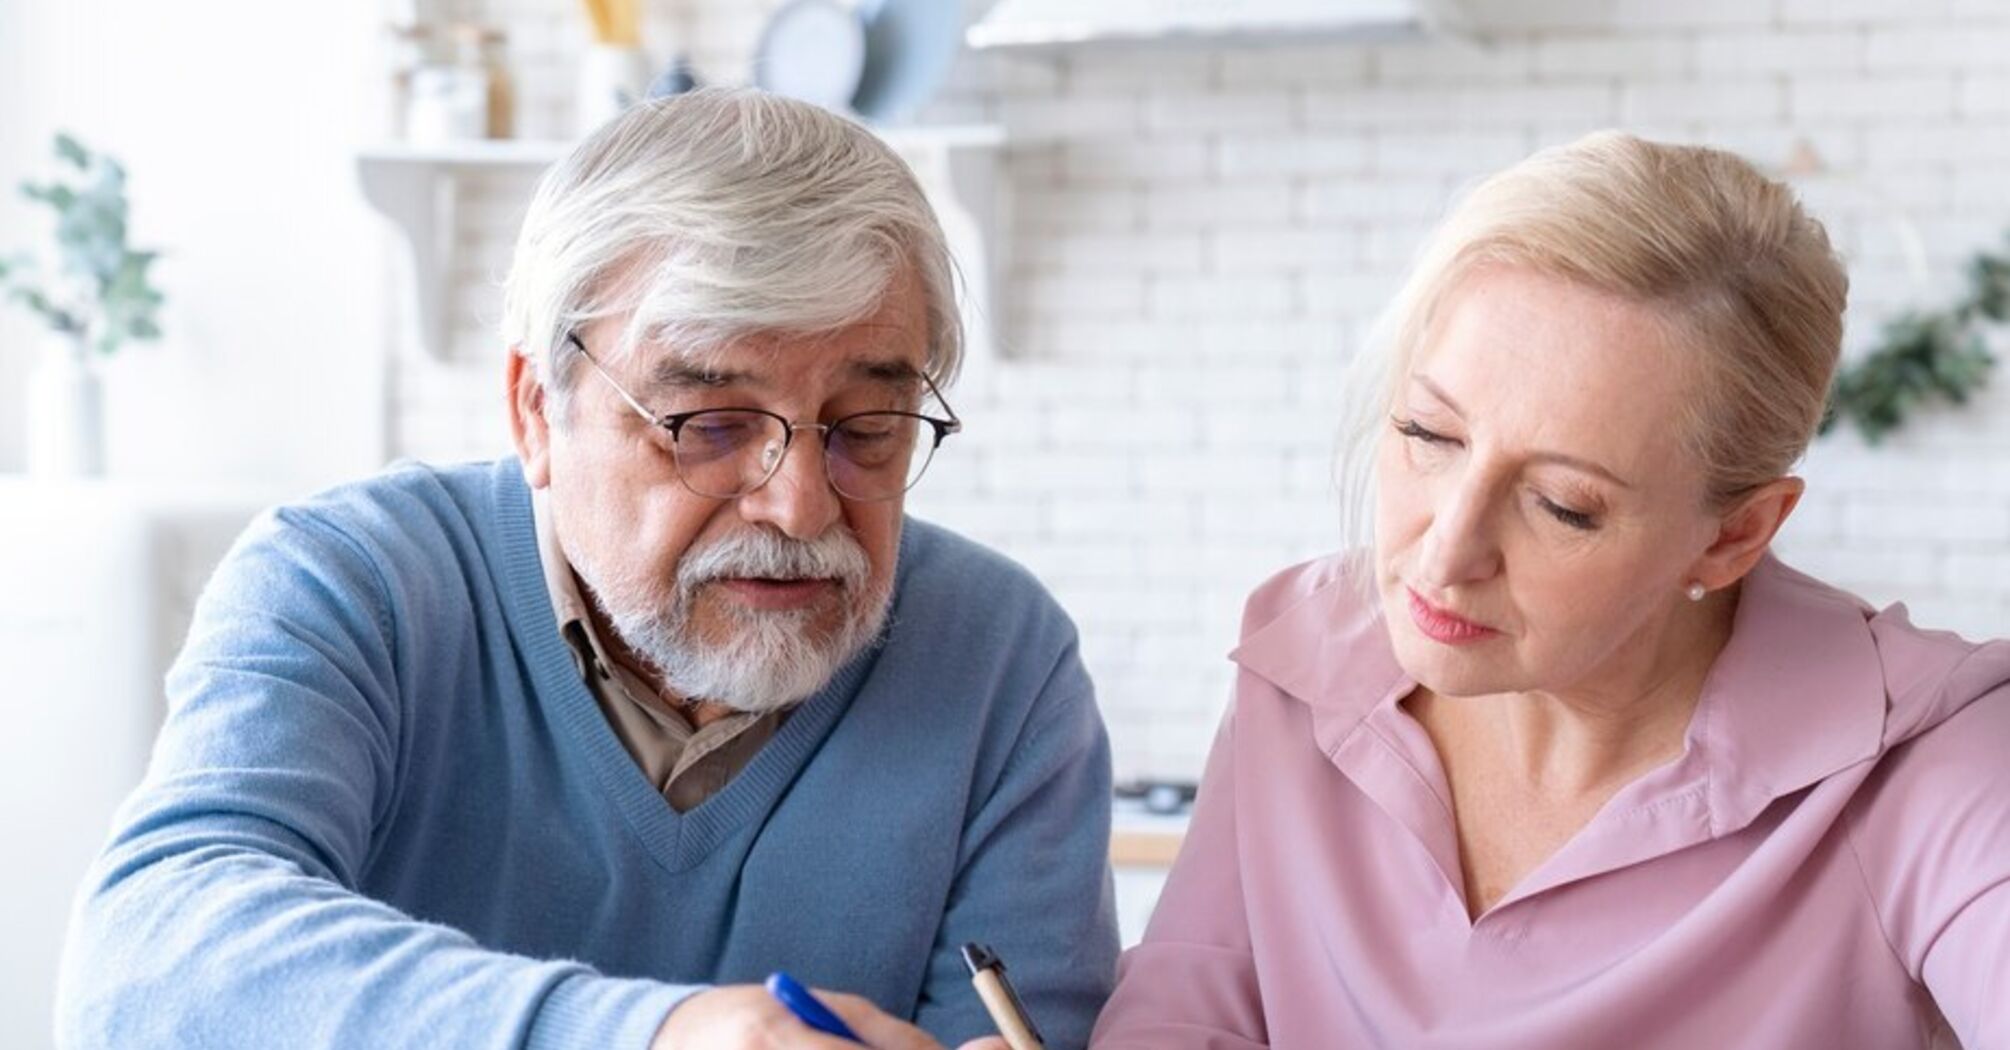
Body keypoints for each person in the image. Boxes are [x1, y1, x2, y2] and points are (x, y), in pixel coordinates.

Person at [56, 88, 1118, 1049]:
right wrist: (653, 1038)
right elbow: (146, 970)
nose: (800, 505)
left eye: (869, 424)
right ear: (536, 412)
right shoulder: (355, 581)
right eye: (707, 421)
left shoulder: (1002, 660)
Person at [1091, 132, 2010, 1049]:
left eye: (1564, 507)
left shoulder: (1927, 755)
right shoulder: (1304, 662)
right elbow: (1183, 1010)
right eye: (1428, 433)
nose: (1445, 554)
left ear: (1735, 535)